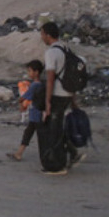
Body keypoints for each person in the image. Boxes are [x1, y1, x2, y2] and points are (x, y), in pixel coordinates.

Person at [40, 22, 81, 174]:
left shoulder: (51, 53)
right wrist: (73, 99)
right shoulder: (65, 48)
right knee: (57, 126)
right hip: (67, 93)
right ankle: (72, 152)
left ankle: (59, 165)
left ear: (48, 35)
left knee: (54, 129)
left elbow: (50, 79)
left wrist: (47, 101)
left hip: (58, 94)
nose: (41, 37)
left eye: (42, 34)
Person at [8, 60, 45, 162]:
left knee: (39, 136)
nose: (28, 73)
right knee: (29, 133)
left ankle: (46, 156)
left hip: (37, 115)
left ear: (36, 72)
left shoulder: (35, 85)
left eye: (29, 71)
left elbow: (24, 97)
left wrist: (20, 102)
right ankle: (19, 153)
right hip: (36, 115)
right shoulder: (40, 84)